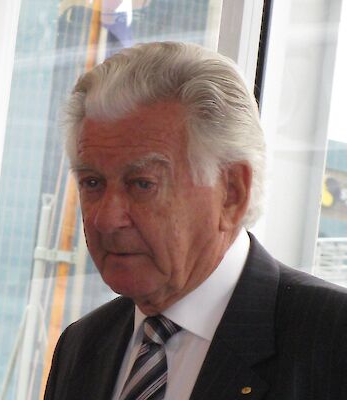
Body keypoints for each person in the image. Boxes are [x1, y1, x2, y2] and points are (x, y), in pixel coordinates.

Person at [44, 41, 347, 400]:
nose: (106, 219)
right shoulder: (83, 345)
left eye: (142, 184)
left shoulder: (332, 341)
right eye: (92, 183)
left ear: (232, 192)